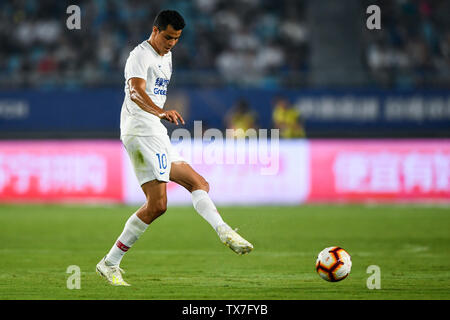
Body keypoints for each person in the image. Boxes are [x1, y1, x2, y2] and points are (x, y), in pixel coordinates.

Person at [96, 10, 253, 286]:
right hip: (141, 129)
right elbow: (134, 91)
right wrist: (160, 111)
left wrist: (158, 116)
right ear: (155, 30)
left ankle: (110, 263)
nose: (171, 43)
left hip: (152, 131)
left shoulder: (167, 56)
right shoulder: (139, 55)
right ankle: (223, 231)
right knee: (173, 196)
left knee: (181, 192)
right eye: (168, 37)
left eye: (177, 38)